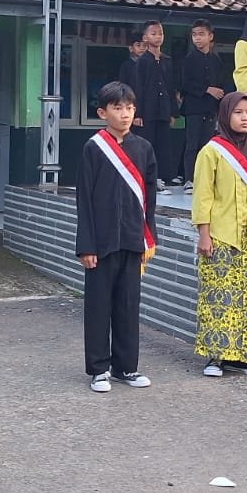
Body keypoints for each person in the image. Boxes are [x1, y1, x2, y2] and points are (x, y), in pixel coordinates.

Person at [75, 81, 160, 393]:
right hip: (101, 242)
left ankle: (126, 367)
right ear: (102, 113)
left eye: (129, 108)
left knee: (128, 306)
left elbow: (149, 199)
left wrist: (148, 237)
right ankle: (99, 369)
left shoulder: (144, 148)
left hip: (133, 239)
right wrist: (86, 245)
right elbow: (84, 200)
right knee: (99, 307)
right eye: (117, 108)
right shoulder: (93, 148)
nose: (125, 114)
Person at [192, 91, 247, 377]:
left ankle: (242, 357)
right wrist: (204, 234)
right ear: (225, 115)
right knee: (218, 296)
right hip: (220, 235)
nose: (244, 118)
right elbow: (203, 196)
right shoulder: (211, 151)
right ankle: (215, 357)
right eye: (238, 112)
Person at [179, 19, 230, 194]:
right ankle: (189, 179)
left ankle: (205, 179)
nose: (197, 38)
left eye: (201, 34)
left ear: (210, 36)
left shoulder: (216, 60)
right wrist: (207, 89)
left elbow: (221, 82)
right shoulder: (189, 59)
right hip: (194, 108)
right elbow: (185, 84)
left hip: (211, 108)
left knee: (207, 145)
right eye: (194, 35)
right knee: (192, 145)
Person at [127, 20, 176, 192]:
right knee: (147, 144)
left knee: (163, 144)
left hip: (163, 109)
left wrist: (172, 112)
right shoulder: (142, 61)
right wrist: (137, 113)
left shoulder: (167, 60)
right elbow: (138, 87)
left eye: (160, 33)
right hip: (147, 110)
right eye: (153, 33)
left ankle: (160, 177)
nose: (158, 36)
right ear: (145, 37)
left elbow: (170, 87)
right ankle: (147, 177)